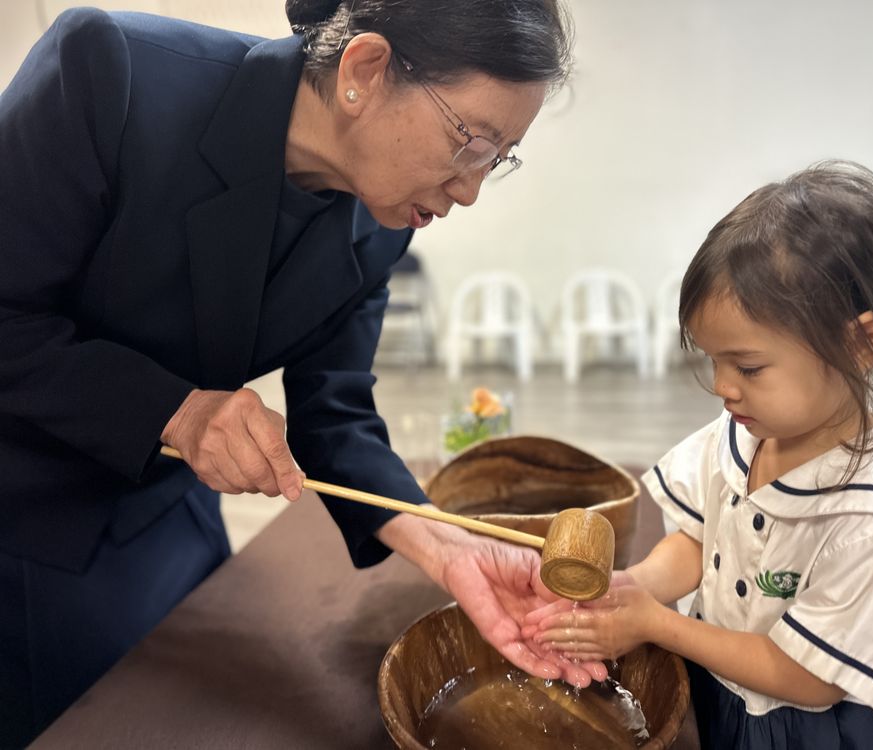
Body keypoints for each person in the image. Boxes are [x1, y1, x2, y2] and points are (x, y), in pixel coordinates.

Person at [0, 1, 607, 744]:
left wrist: (443, 544)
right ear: (365, 70)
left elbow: (335, 411)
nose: (470, 189)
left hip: (172, 508)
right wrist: (180, 412)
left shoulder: (378, 228)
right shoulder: (109, 73)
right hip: (24, 509)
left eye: (498, 156)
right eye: (471, 141)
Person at [523, 162, 873, 749]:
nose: (724, 387)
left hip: (807, 728)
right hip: (722, 688)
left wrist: (658, 625)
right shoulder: (745, 432)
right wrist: (636, 587)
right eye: (714, 361)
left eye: (747, 367)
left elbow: (808, 678)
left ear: (861, 343)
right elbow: (703, 539)